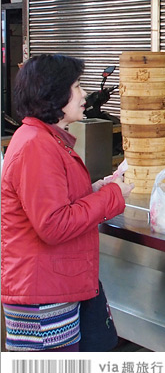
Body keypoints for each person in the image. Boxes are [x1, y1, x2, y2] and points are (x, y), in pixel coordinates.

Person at [1, 54, 134, 352]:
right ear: (53, 92)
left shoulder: (47, 139)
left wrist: (97, 188)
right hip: (42, 297)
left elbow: (54, 201)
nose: (84, 93)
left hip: (56, 284)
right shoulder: (36, 145)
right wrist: (112, 196)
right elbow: (53, 224)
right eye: (76, 86)